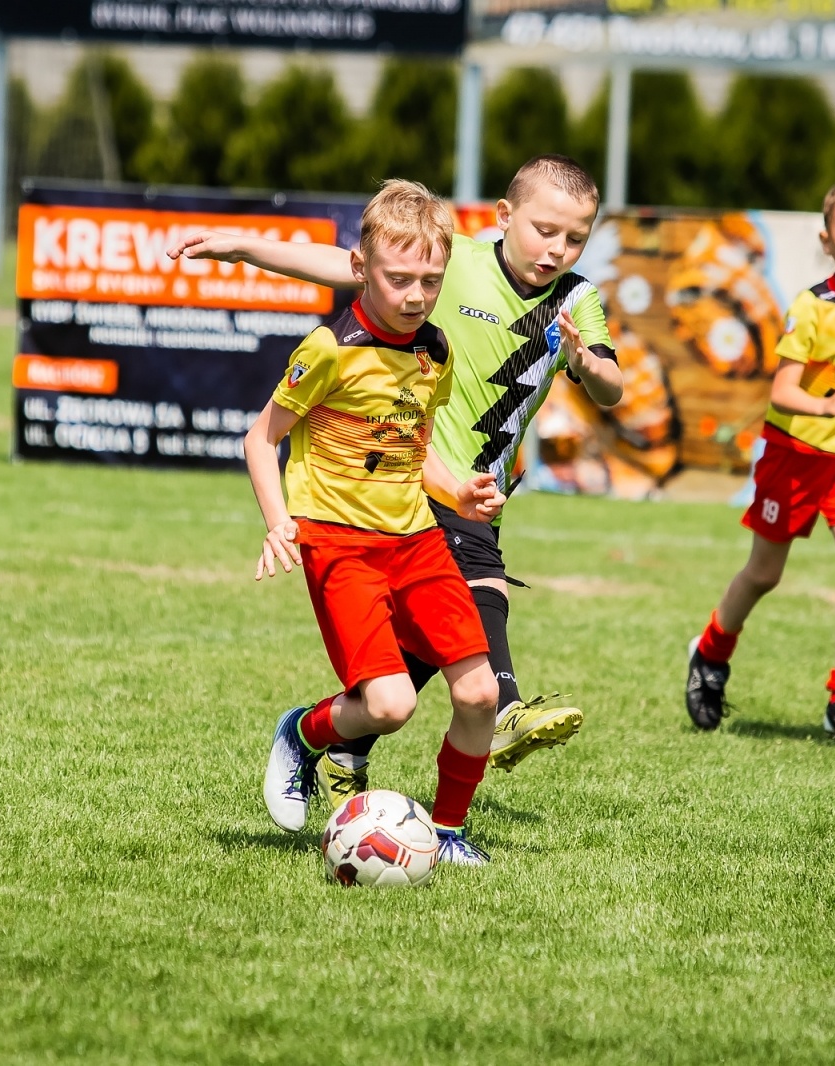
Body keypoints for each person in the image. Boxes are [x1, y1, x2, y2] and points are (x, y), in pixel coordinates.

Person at [173, 155, 624, 798]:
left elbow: (611, 385)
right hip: (408, 482)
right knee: (480, 593)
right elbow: (347, 264)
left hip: (472, 485)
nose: (557, 248)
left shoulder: (576, 300)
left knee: (410, 665)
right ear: (505, 216)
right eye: (544, 230)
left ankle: (347, 743)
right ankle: (506, 708)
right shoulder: (454, 260)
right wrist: (247, 248)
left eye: (574, 238)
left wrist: (586, 362)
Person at [241, 180, 506, 865]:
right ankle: (303, 732)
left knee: (479, 694)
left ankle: (447, 834)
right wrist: (279, 523)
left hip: (417, 539)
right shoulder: (327, 349)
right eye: (398, 279)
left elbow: (412, 450)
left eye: (430, 279)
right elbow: (258, 437)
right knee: (389, 706)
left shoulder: (435, 350)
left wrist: (460, 492)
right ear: (360, 269)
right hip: (339, 543)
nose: (415, 294)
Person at [685, 177, 835, 746]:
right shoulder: (814, 307)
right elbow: (783, 390)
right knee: (765, 574)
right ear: (827, 240)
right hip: (792, 457)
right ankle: (710, 653)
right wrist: (825, 403)